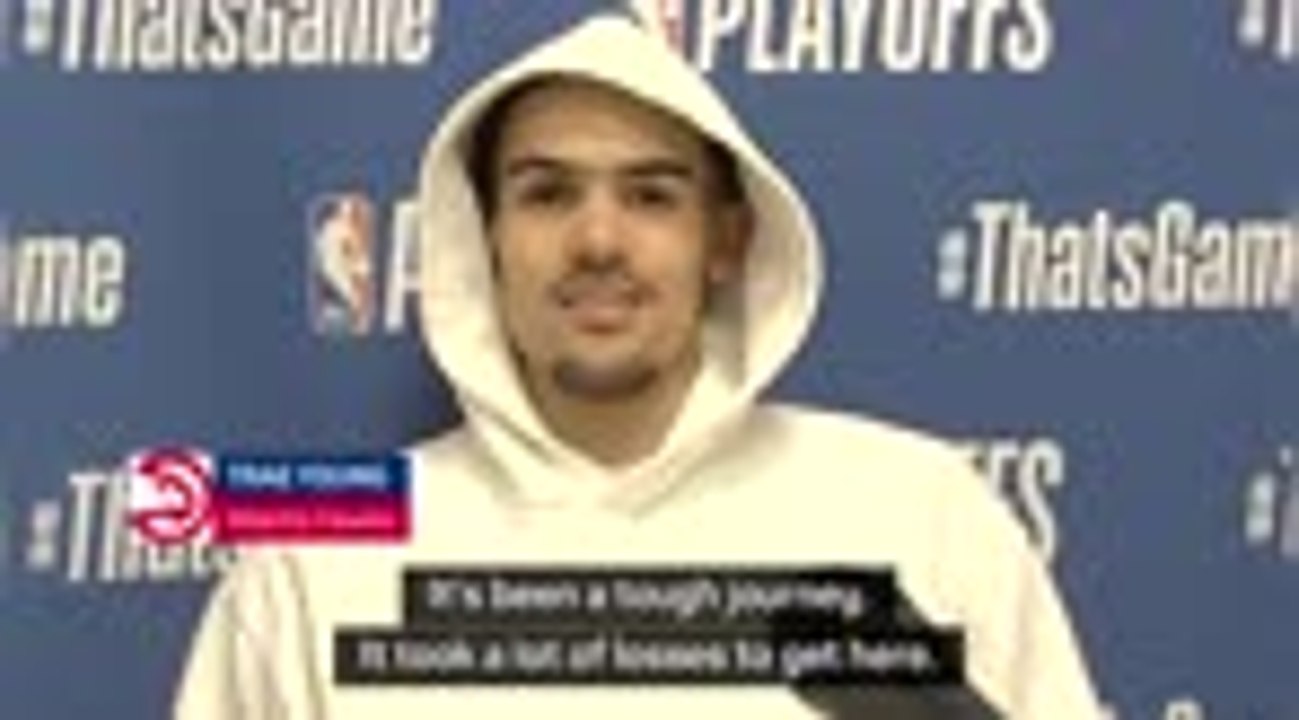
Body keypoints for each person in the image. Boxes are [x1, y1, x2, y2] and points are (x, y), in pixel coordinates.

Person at [173, 11, 1102, 719]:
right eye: (547, 194)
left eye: (651, 197)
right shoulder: (318, 553)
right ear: (482, 237)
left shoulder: (917, 516)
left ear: (725, 241)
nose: (598, 241)